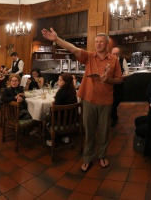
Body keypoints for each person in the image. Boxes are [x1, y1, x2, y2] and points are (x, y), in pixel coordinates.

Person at [41, 28, 122, 172]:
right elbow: (73, 49)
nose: (97, 44)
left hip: (106, 100)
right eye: (96, 42)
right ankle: (88, 158)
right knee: (89, 131)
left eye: (101, 42)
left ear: (107, 44)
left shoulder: (114, 60)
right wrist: (57, 39)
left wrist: (108, 79)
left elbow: (119, 80)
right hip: (89, 99)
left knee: (104, 131)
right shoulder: (89, 56)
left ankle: (102, 156)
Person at [44, 73, 78, 146]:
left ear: (66, 82)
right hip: (72, 120)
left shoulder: (61, 92)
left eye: (60, 80)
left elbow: (56, 109)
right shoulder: (73, 91)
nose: (57, 82)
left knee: (46, 117)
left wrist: (53, 104)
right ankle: (65, 136)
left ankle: (50, 140)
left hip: (61, 122)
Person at [110, 47, 128, 127]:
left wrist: (121, 76)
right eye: (114, 54)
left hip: (119, 84)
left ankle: (112, 116)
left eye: (117, 54)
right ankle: (114, 118)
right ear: (111, 53)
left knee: (118, 99)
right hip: (110, 84)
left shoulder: (122, 60)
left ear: (119, 54)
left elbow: (126, 70)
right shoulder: (109, 60)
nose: (115, 55)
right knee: (112, 102)